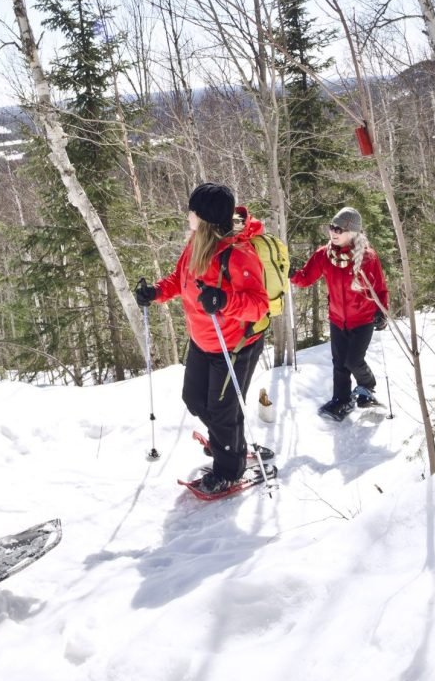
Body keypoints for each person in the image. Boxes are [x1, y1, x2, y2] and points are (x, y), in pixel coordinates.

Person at [136, 183, 270, 493]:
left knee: (223, 410)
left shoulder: (238, 253)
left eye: (193, 211)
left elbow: (259, 305)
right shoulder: (196, 243)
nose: (188, 215)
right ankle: (228, 442)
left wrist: (224, 301)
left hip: (234, 346)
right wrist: (155, 292)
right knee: (195, 400)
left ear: (205, 218)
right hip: (202, 340)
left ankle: (229, 469)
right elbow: (179, 280)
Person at [289, 206, 390, 419]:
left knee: (353, 361)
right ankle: (341, 400)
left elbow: (380, 287)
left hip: (363, 319)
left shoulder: (367, 257)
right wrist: (292, 274)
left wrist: (382, 313)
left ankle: (367, 386)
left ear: (352, 232)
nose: (333, 232)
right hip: (337, 319)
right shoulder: (324, 255)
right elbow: (306, 277)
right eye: (331, 227)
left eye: (339, 229)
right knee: (339, 363)